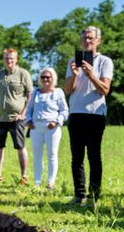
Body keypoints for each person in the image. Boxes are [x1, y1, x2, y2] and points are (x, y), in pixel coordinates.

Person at [64, 26, 113, 206]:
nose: (87, 41)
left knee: (94, 156)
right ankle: (79, 195)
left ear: (98, 41)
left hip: (95, 114)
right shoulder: (73, 61)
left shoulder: (105, 62)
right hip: (76, 114)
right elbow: (68, 90)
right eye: (85, 38)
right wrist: (75, 75)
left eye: (91, 38)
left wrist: (91, 74)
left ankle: (94, 196)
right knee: (76, 157)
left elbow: (105, 90)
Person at [0, 48, 33, 184]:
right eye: (6, 58)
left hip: (17, 118)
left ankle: (24, 177)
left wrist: (24, 113)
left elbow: (30, 95)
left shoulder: (23, 74)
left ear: (16, 59)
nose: (9, 60)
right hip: (0, 119)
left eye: (11, 58)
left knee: (20, 147)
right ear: (4, 60)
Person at [25, 67, 68, 190]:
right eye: (43, 77)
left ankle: (50, 183)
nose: (45, 79)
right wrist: (28, 121)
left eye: (48, 77)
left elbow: (64, 111)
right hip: (36, 127)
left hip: (52, 128)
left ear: (53, 78)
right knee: (37, 156)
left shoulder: (58, 92)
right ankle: (37, 183)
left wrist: (56, 121)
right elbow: (29, 109)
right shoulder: (35, 92)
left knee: (52, 155)